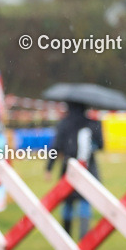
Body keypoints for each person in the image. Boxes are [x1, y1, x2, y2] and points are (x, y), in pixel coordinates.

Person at [45, 101, 103, 237]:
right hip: (88, 169)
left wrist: (49, 167)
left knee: (67, 203)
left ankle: (66, 237)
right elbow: (101, 145)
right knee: (85, 202)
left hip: (68, 170)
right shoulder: (93, 123)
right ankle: (84, 239)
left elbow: (55, 147)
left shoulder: (64, 124)